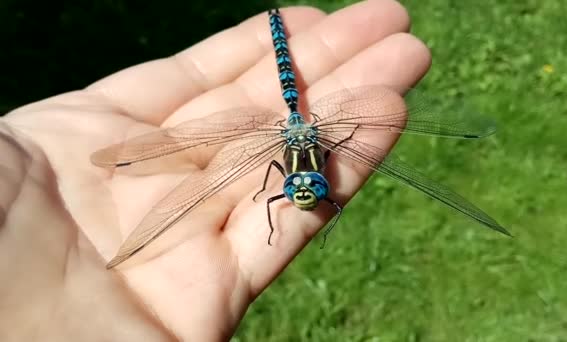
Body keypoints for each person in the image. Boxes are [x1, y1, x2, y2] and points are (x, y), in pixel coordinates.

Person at [0, 0, 430, 340]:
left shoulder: (323, 151)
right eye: (304, 185)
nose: (303, 191)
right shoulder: (286, 161)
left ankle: (278, 21)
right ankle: (277, 24)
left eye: (307, 186)